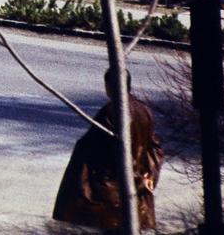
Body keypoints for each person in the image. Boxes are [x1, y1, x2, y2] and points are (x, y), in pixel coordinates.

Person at [53, 68, 166, 232]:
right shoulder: (144, 110)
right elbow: (155, 148)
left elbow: (103, 153)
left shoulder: (111, 112)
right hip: (135, 193)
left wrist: (138, 181)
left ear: (109, 86)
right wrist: (148, 176)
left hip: (113, 195)